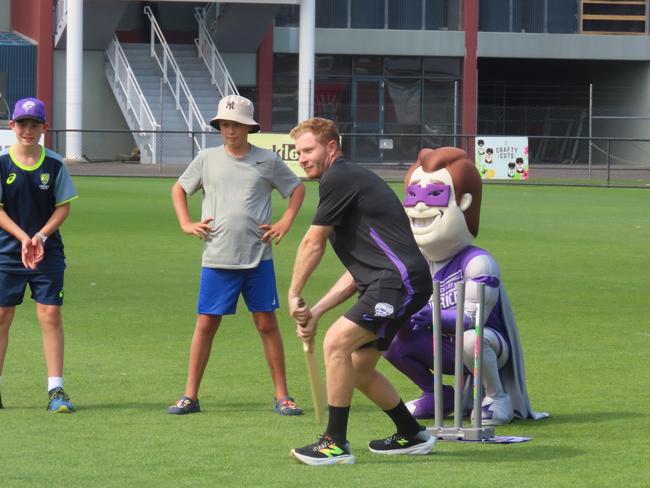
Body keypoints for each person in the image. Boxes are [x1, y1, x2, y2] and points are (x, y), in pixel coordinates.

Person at [287, 117, 435, 466]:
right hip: (391, 282)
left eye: (309, 150)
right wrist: (317, 310)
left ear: (331, 147)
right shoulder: (343, 182)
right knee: (358, 369)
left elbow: (313, 241)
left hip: (397, 283)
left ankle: (334, 444)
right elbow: (357, 273)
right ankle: (412, 433)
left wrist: (295, 293)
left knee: (336, 343)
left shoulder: (339, 177)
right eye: (298, 153)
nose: (302, 158)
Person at [384, 147, 549, 425]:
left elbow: (474, 319)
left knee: (470, 339)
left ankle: (497, 398)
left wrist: (431, 316)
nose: (420, 206)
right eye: (413, 196)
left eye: (434, 195)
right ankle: (436, 394)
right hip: (442, 345)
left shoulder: (478, 262)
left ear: (464, 201)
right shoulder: (416, 261)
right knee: (387, 337)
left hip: (485, 345)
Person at [168, 95, 305, 416]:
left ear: (249, 128)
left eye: (237, 125)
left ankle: (283, 395)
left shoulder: (267, 160)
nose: (230, 130)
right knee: (206, 324)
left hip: (258, 258)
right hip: (216, 257)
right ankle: (190, 395)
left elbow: (296, 188)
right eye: (225, 124)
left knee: (266, 324)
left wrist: (285, 220)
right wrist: (186, 222)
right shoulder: (206, 158)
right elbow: (179, 188)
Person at [0, 97, 78, 413]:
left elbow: (64, 206)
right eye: (22, 124)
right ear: (12, 126)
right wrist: (23, 238)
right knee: (2, 316)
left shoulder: (55, 164)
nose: (28, 130)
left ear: (44, 128)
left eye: (34, 125)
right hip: (6, 253)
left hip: (47, 253)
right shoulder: (2, 163)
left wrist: (41, 236)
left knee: (50, 315)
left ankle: (56, 390)